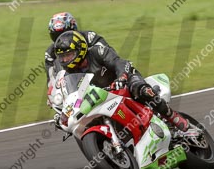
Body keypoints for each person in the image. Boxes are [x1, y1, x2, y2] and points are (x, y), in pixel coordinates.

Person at [52, 30, 191, 134]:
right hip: (103, 97)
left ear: (80, 49)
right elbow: (72, 97)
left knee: (142, 90)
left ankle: (173, 117)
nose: (64, 60)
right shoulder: (69, 74)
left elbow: (119, 62)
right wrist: (64, 115)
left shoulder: (96, 52)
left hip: (124, 80)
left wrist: (122, 78)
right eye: (61, 57)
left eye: (68, 55)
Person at [44, 12, 110, 80]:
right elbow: (51, 80)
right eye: (56, 36)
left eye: (65, 33)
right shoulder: (50, 54)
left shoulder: (90, 37)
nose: (62, 39)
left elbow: (109, 55)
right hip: (73, 83)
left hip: (101, 77)